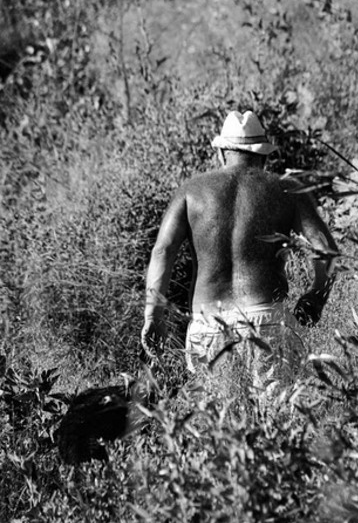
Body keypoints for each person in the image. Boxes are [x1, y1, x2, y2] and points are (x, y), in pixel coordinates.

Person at [141, 111, 338, 400]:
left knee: (217, 420)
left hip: (208, 324)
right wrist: (316, 297)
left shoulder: (191, 191)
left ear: (221, 152)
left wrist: (153, 316)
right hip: (267, 321)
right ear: (264, 156)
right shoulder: (286, 190)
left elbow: (162, 251)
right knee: (274, 418)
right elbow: (326, 250)